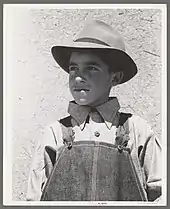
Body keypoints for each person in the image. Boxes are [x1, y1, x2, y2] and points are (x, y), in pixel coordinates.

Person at [27, 20, 162, 201]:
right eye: (73, 68)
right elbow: (34, 199)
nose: (79, 77)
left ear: (115, 78)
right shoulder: (55, 133)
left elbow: (161, 194)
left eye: (91, 68)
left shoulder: (138, 131)